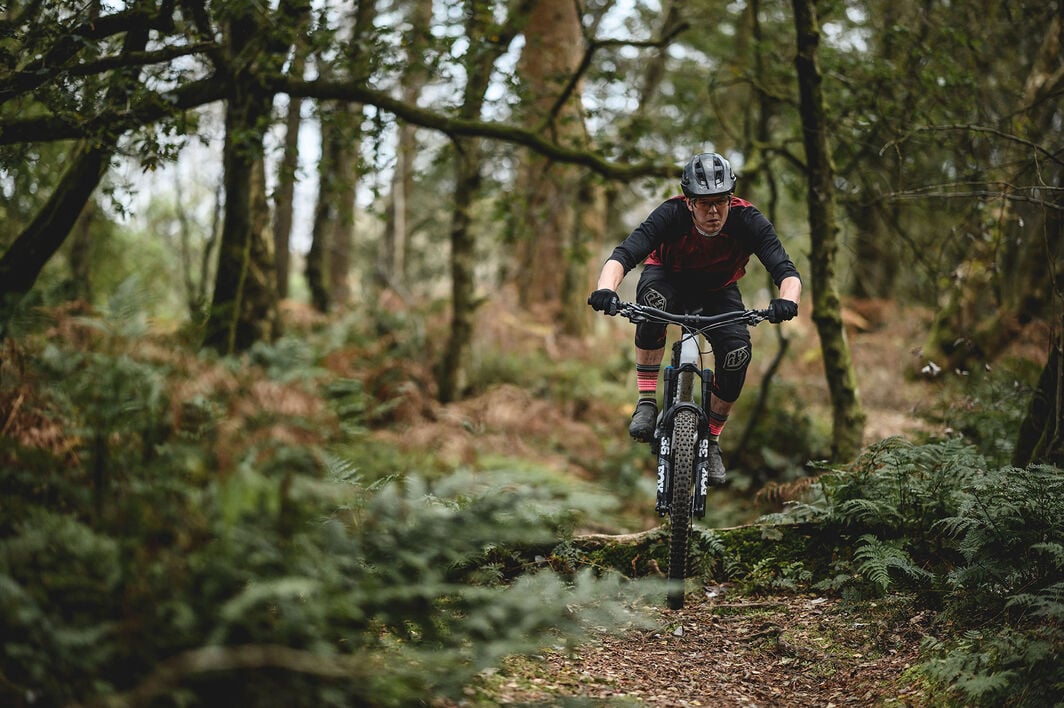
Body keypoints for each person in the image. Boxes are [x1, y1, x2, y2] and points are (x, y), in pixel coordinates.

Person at [587, 151, 802, 485]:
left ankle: (713, 439)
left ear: (731, 198)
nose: (713, 211)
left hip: (719, 291)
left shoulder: (748, 220)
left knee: (736, 355)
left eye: (720, 201)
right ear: (689, 203)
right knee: (651, 303)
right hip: (667, 277)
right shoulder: (670, 214)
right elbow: (624, 255)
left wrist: (786, 301)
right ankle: (646, 401)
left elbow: (786, 271)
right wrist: (605, 289)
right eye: (704, 203)